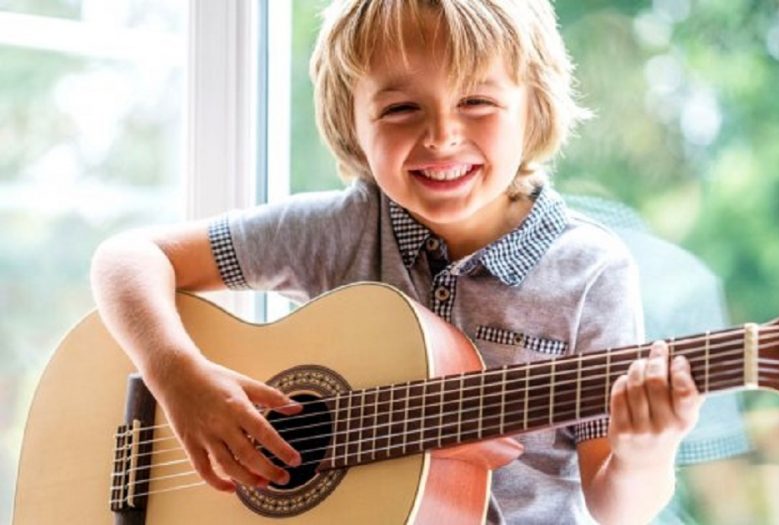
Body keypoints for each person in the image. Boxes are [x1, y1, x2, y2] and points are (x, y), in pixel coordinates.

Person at [89, 1, 702, 523]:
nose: (441, 136)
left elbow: (613, 504)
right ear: (351, 124)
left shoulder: (590, 273)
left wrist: (646, 452)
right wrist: (179, 378)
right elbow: (129, 258)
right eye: (401, 109)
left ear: (533, 106)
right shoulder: (340, 230)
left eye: (478, 102)